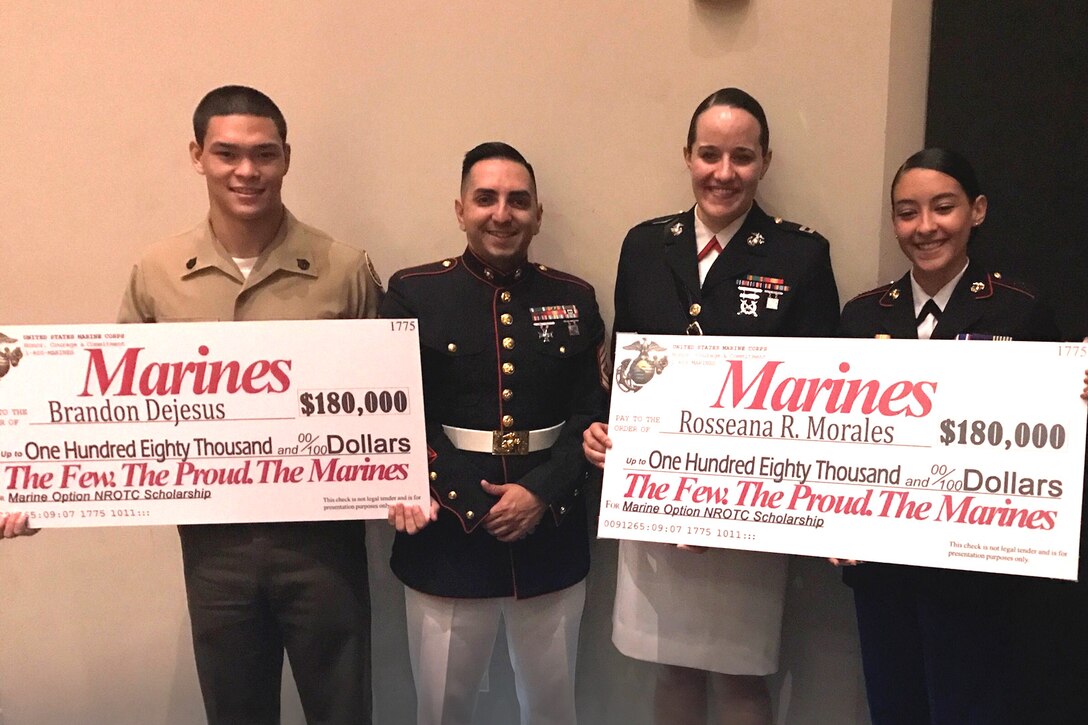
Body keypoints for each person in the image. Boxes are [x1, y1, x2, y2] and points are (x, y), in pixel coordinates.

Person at [118, 85, 383, 725]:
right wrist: (43, 489)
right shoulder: (156, 273)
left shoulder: (343, 268)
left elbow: (385, 399)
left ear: (286, 158)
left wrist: (398, 472)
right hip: (215, 546)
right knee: (235, 711)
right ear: (197, 156)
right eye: (227, 153)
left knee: (342, 709)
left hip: (325, 542)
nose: (246, 171)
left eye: (263, 154)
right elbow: (115, 405)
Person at [583, 88, 840, 725]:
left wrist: (721, 507)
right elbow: (627, 367)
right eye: (709, 155)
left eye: (742, 157)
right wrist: (606, 432)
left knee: (742, 675)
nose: (724, 173)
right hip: (658, 500)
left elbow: (816, 394)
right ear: (687, 157)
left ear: (766, 161)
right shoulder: (644, 244)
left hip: (751, 507)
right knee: (671, 668)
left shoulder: (801, 252)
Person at [837, 148, 1066, 724]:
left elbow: (1055, 434)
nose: (925, 227)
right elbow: (835, 438)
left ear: (977, 210)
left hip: (978, 574)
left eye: (943, 208)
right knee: (894, 707)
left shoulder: (1022, 313)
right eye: (907, 212)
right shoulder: (861, 318)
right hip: (882, 567)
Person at [384, 141, 607, 725]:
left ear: (539, 213)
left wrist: (541, 493)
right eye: (485, 199)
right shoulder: (414, 293)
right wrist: (471, 503)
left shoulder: (574, 298)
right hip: (447, 538)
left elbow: (591, 411)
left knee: (554, 708)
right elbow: (398, 411)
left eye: (518, 200)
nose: (502, 214)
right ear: (460, 209)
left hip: (550, 532)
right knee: (442, 710)